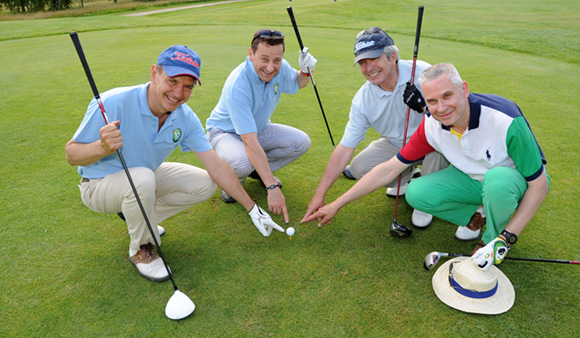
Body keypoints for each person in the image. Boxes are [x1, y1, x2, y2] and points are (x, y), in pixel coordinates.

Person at [65, 45, 283, 282]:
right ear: (154, 74)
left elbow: (217, 166)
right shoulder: (113, 102)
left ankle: (141, 219)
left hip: (142, 178)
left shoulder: (184, 117)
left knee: (206, 183)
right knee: (143, 180)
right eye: (172, 81)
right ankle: (141, 250)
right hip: (97, 185)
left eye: (187, 86)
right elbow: (71, 154)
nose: (179, 93)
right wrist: (101, 147)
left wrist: (252, 208)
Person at [303, 63, 549, 267]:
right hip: (473, 180)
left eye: (447, 96)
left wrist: (507, 237)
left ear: (464, 89)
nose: (441, 108)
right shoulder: (431, 125)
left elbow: (539, 185)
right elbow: (389, 169)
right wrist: (337, 203)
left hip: (513, 182)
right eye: (432, 101)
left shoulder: (504, 118)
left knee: (498, 182)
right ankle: (476, 217)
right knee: (416, 192)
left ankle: (490, 240)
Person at [303, 27, 447, 229]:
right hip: (398, 146)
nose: (369, 68)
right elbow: (345, 148)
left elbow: (454, 117)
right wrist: (320, 195)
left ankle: (425, 201)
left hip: (432, 142)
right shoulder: (363, 99)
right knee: (359, 167)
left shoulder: (423, 73)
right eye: (362, 62)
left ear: (393, 57)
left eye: (374, 59)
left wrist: (425, 107)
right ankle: (407, 177)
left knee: (437, 141)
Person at [206, 29, 316, 223]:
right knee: (242, 162)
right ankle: (232, 183)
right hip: (225, 133)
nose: (270, 67)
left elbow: (299, 83)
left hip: (259, 128)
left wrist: (306, 71)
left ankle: (257, 172)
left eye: (277, 60)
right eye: (264, 59)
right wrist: (271, 187)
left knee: (301, 142)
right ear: (251, 54)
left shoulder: (280, 69)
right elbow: (249, 142)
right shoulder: (238, 85)